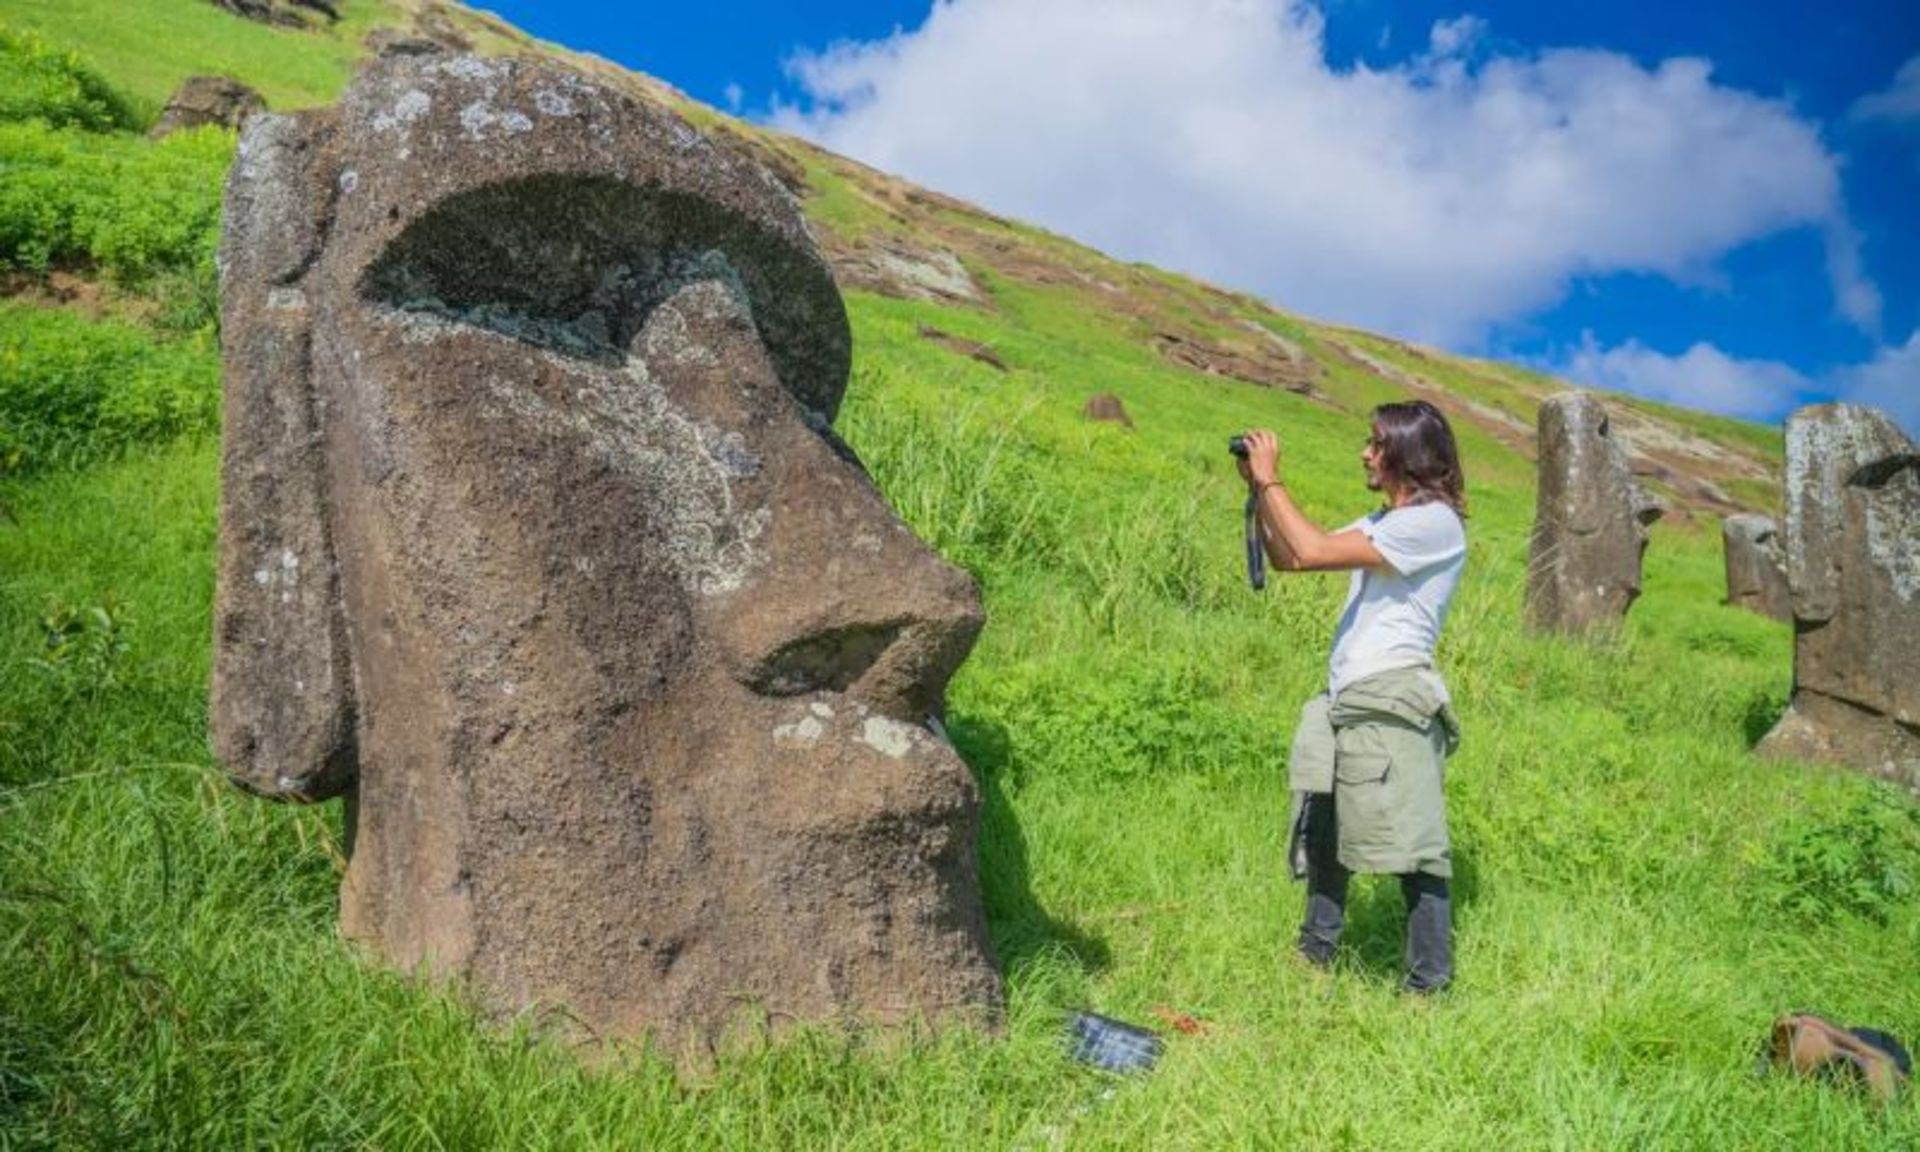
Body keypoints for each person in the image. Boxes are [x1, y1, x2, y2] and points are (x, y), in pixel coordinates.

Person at [1236, 400, 1468, 994]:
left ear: (1408, 454)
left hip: (1392, 700)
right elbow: (1291, 558)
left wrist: (1271, 478)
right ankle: (1314, 956)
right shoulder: (1382, 522)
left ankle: (1427, 986)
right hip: (1346, 698)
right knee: (1324, 829)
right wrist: (1259, 493)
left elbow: (1310, 548)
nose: (1365, 453)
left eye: (1376, 443)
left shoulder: (1434, 522)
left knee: (1414, 846)